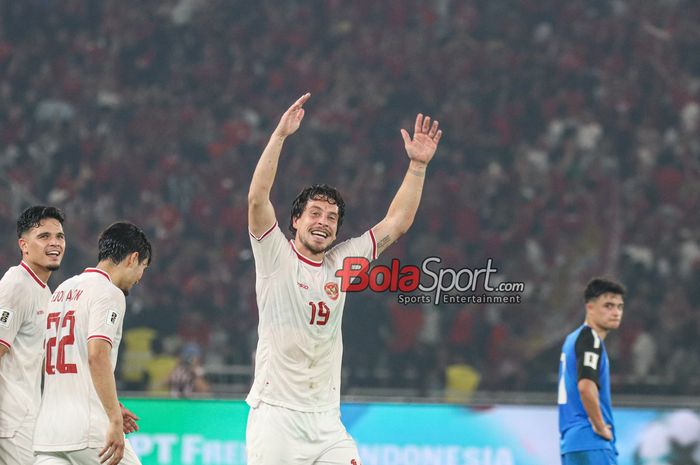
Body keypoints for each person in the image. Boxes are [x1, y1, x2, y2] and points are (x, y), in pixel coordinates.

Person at [246, 93, 442, 465]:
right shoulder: (275, 255)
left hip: (326, 423)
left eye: (331, 217)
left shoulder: (343, 262)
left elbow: (396, 223)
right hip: (276, 417)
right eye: (315, 213)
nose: (323, 221)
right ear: (295, 221)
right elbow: (258, 199)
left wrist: (417, 167)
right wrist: (280, 136)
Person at [33, 222, 152, 465]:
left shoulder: (61, 290)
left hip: (49, 432)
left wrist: (112, 403)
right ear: (133, 258)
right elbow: (97, 356)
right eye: (143, 268)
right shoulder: (109, 293)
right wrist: (114, 419)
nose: (140, 278)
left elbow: (65, 360)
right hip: (88, 429)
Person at [0, 206, 66, 465]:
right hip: (11, 422)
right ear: (24, 245)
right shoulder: (16, 285)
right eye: (44, 236)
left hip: (25, 418)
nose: (54, 243)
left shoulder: (43, 291)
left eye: (59, 236)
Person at [558, 278, 625, 465]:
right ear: (590, 307)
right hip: (592, 441)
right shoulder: (590, 339)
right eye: (609, 306)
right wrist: (600, 426)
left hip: (571, 443)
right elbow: (586, 388)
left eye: (620, 307)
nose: (616, 312)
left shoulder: (572, 339)